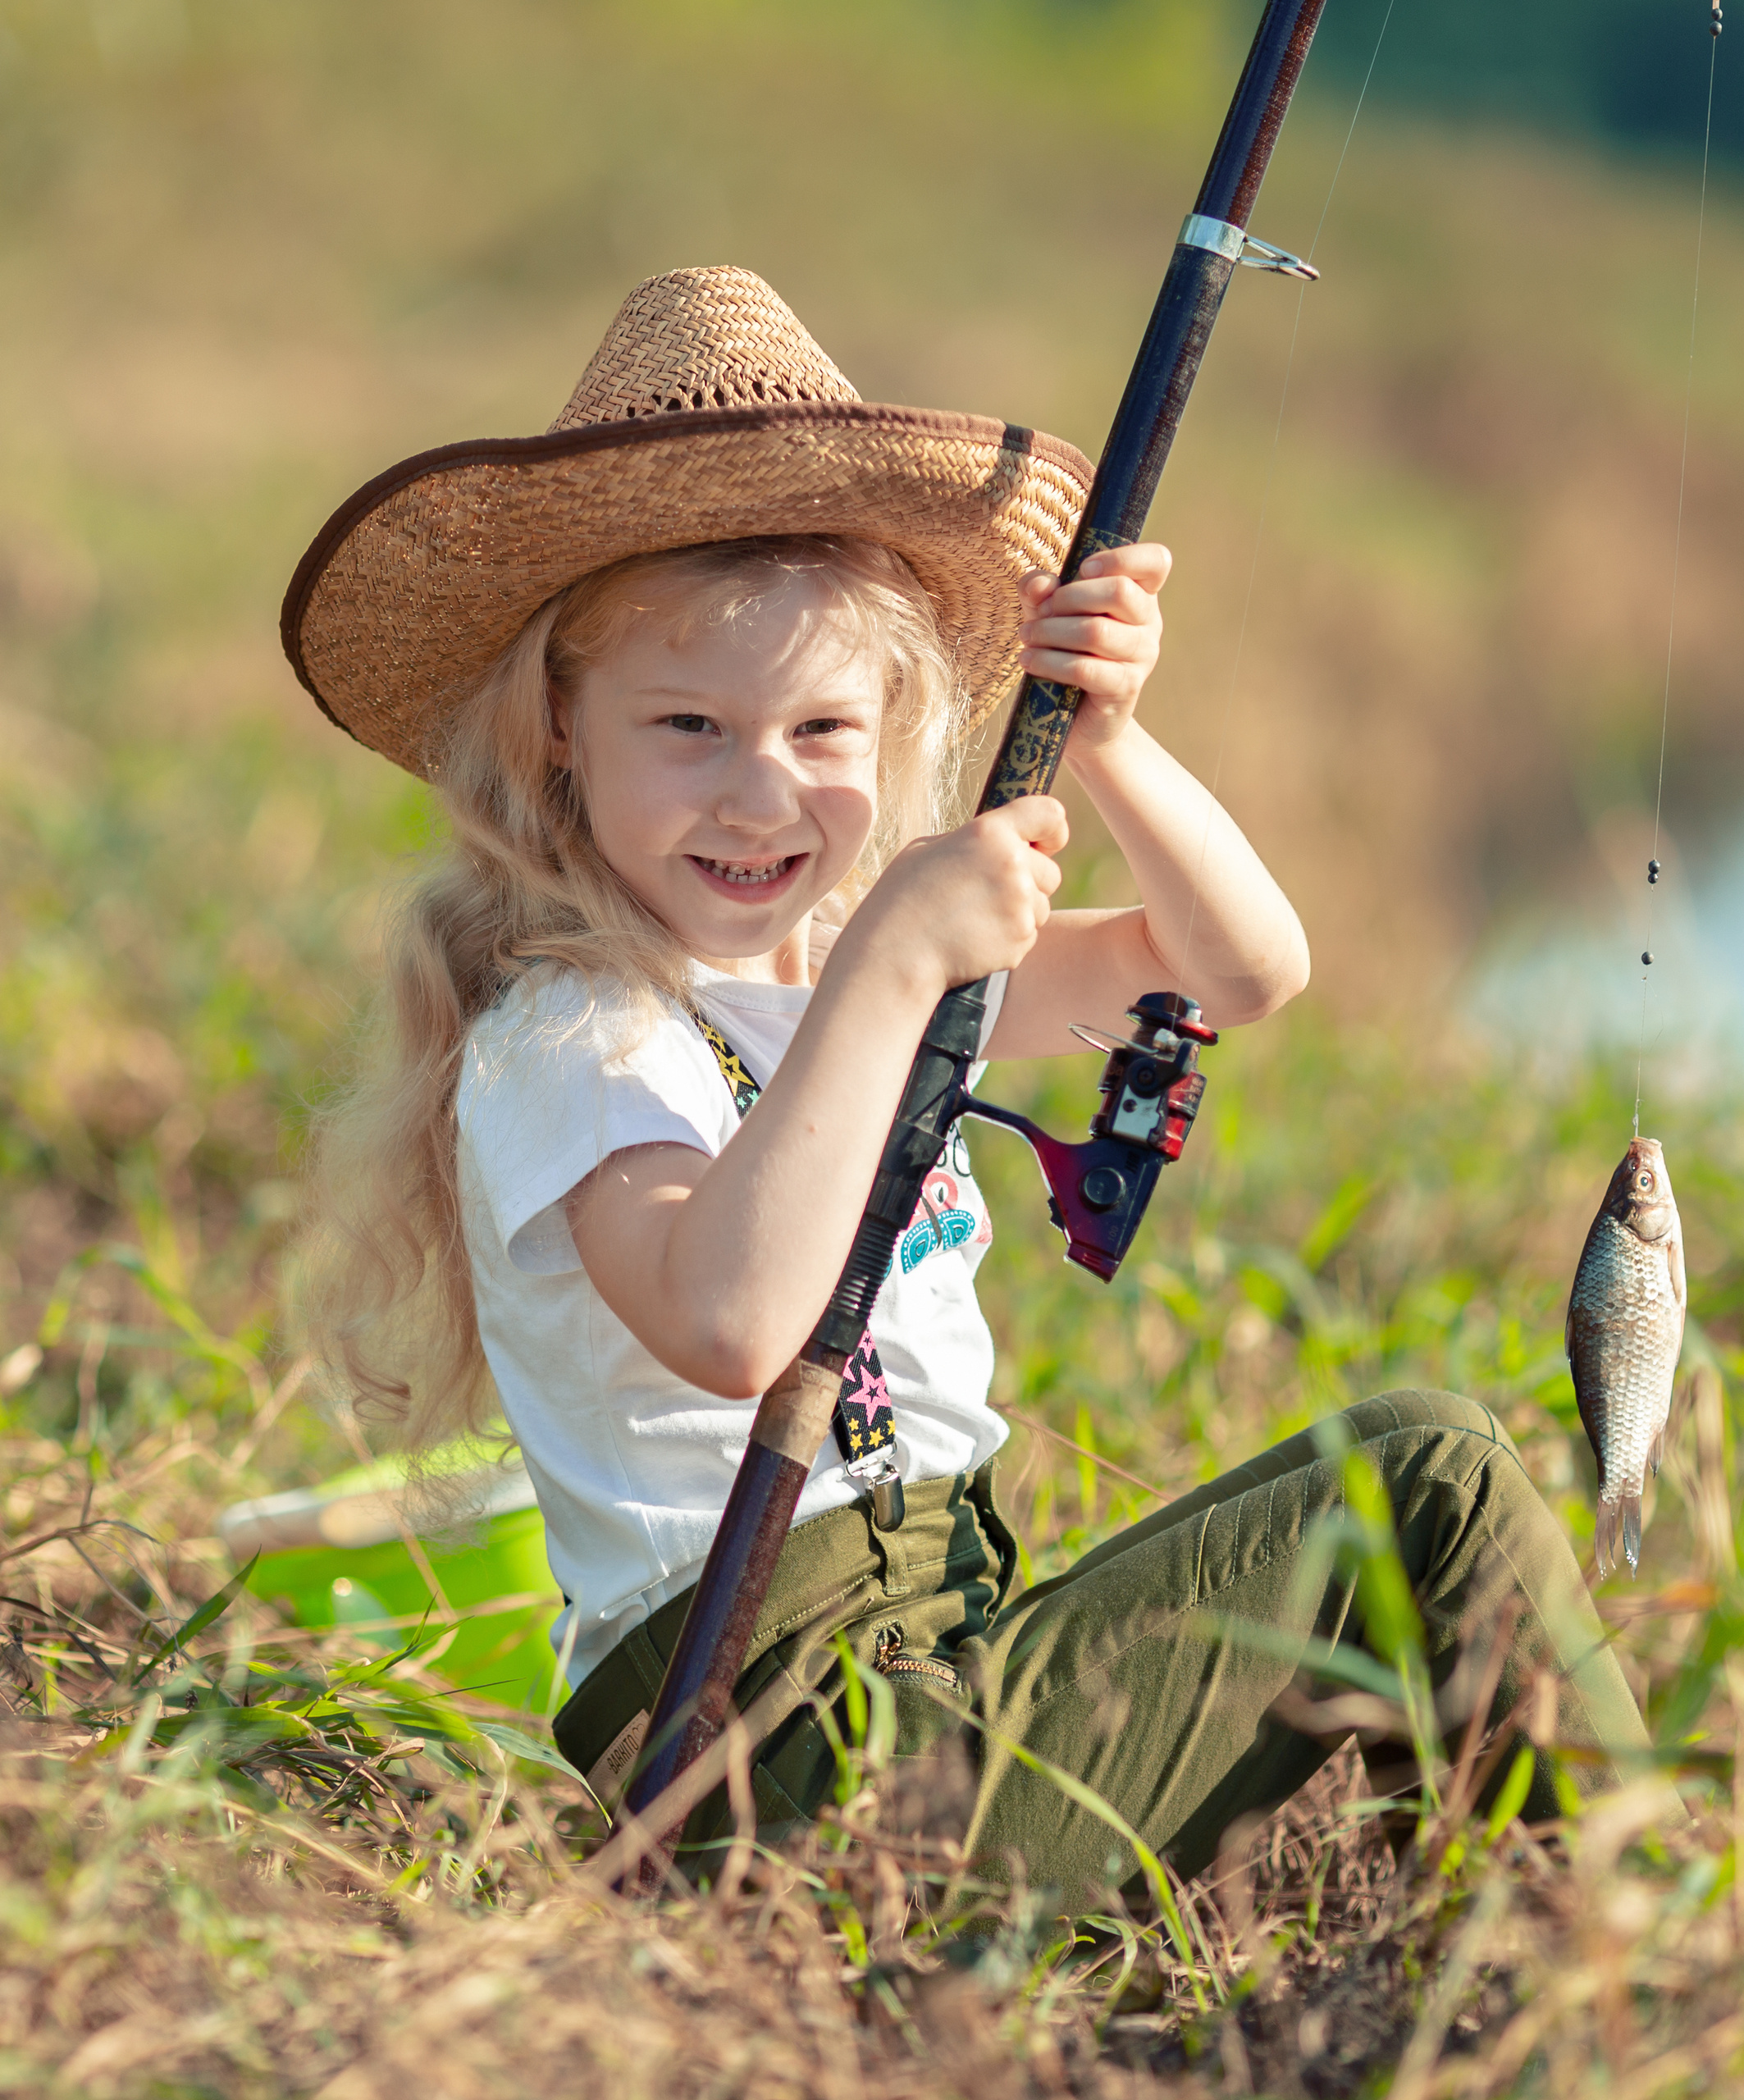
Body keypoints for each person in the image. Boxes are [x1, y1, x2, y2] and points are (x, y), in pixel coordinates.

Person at [289, 266, 1650, 1901]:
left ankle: (1538, 1938)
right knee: (1425, 1476)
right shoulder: (576, 1036)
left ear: (891, 728)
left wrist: (1107, 736)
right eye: (689, 725)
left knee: (1407, 1477)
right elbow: (729, 1323)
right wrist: (890, 964)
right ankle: (1647, 1944)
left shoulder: (850, 969)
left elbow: (1240, 967)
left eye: (821, 730)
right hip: (790, 1757)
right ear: (562, 725)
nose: (760, 793)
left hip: (947, 1666)